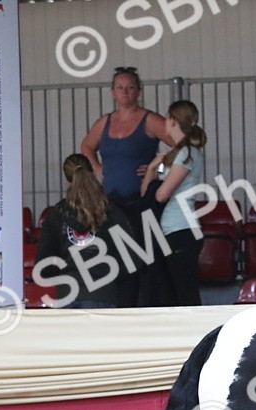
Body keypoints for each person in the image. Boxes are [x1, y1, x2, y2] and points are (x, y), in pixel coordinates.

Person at [80, 67, 173, 305]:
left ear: (139, 91)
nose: (125, 92)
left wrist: (158, 169)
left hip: (141, 201)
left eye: (130, 87)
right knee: (119, 260)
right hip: (112, 203)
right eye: (120, 87)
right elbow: (87, 146)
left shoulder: (150, 120)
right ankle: (124, 307)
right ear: (112, 92)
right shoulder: (105, 122)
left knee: (146, 258)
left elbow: (180, 146)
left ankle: (151, 308)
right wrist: (98, 169)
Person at [35, 154, 134, 308]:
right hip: (104, 293)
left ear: (67, 180)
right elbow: (131, 260)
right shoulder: (112, 212)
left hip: (67, 295)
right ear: (93, 172)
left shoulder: (56, 215)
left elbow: (43, 265)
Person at [138, 100, 208, 307]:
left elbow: (160, 195)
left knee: (186, 295)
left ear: (173, 120)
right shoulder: (172, 155)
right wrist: (151, 169)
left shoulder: (188, 153)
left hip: (182, 230)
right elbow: (145, 192)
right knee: (171, 294)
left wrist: (155, 180)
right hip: (169, 231)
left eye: (167, 118)